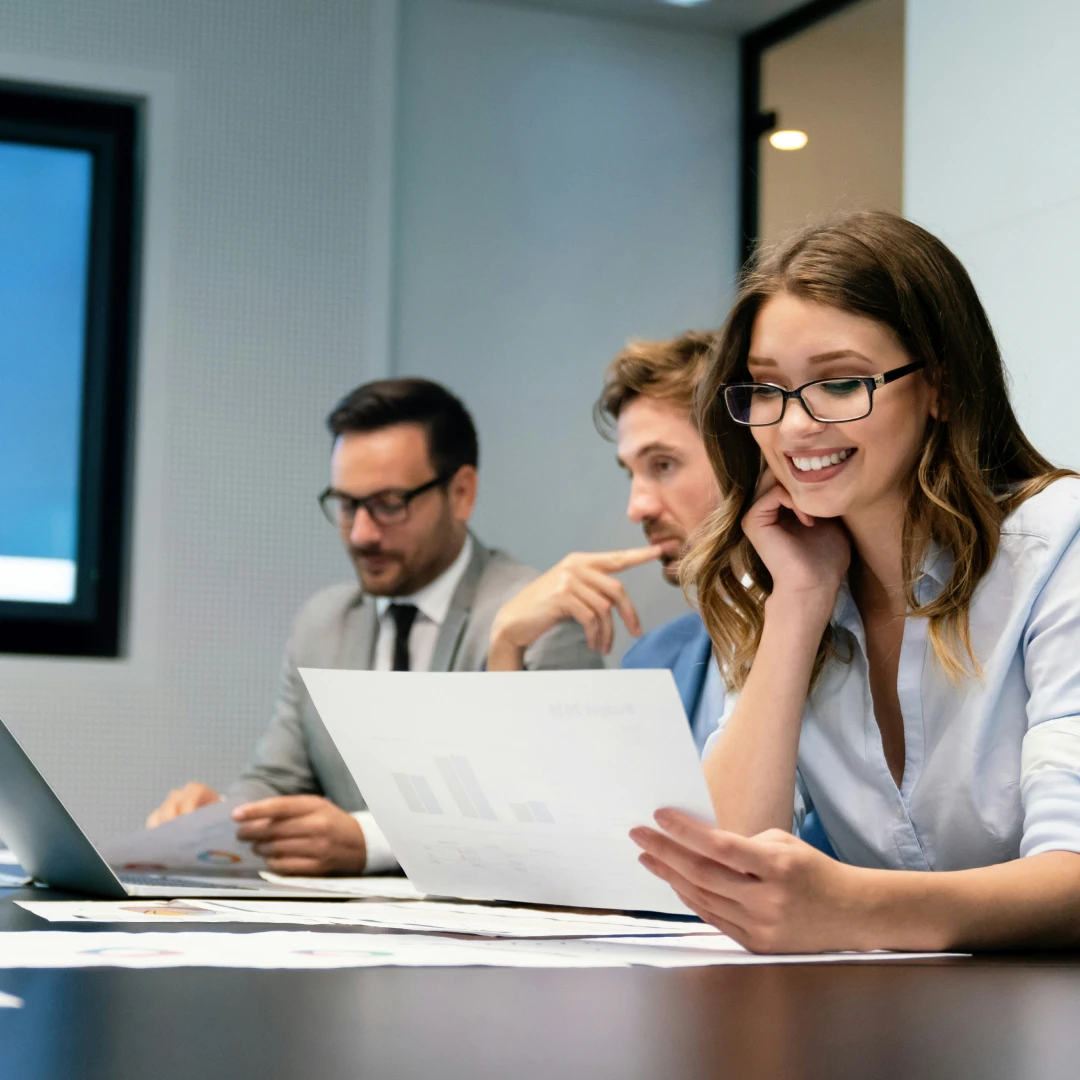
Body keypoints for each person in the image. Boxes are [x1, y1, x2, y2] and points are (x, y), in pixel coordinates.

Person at [630, 210, 1080, 953]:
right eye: (766, 389)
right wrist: (800, 603)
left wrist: (856, 905)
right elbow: (725, 869)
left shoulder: (1059, 546)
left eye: (839, 383)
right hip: (892, 1022)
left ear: (939, 386)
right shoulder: (790, 579)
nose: (794, 427)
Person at [146, 378, 598, 874]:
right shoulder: (323, 624)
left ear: (462, 493)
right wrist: (222, 821)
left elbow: (558, 818)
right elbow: (278, 779)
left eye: (388, 505)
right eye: (346, 505)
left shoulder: (533, 617)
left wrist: (370, 841)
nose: (361, 534)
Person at [487, 333, 723, 751]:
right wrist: (506, 641)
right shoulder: (652, 662)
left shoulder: (840, 645)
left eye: (662, 465)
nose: (637, 508)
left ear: (741, 456)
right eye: (631, 473)